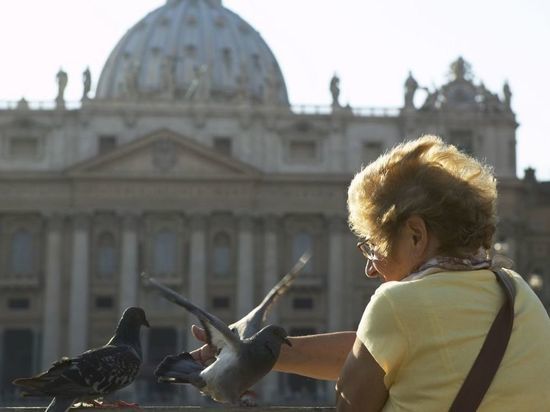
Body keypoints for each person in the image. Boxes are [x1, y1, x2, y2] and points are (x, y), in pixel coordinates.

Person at [189, 135, 550, 411]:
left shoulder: (398, 303)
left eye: (374, 246)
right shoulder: (519, 296)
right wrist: (258, 352)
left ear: (415, 235)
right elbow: (383, 351)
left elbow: (354, 395)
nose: (369, 266)